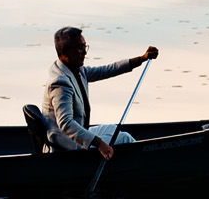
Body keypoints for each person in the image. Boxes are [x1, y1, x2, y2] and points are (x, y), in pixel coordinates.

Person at [42, 28, 157, 159]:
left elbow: (107, 70)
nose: (84, 52)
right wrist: (99, 144)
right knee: (125, 138)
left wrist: (141, 59)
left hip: (76, 133)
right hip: (68, 146)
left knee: (113, 129)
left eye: (85, 46)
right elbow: (66, 123)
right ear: (65, 52)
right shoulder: (60, 82)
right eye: (80, 48)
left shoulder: (76, 69)